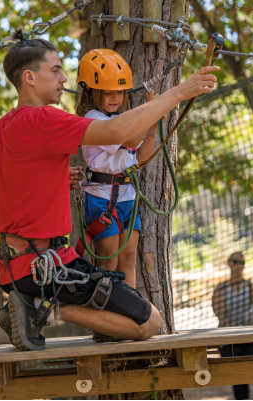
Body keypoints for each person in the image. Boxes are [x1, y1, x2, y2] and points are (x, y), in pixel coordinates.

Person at [0, 31, 219, 351]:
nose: (64, 78)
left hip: (10, 266)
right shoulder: (45, 118)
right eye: (55, 70)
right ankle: (41, 307)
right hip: (49, 266)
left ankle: (31, 302)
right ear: (29, 77)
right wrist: (179, 92)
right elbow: (117, 130)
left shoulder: (1, 128)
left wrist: (51, 178)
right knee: (149, 323)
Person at [75, 49, 159, 289]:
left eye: (120, 93)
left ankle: (131, 314)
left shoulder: (122, 121)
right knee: (109, 261)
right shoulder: (94, 119)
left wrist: (153, 121)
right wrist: (151, 110)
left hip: (128, 197)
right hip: (103, 198)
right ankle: (110, 315)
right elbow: (132, 141)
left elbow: (141, 155)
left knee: (129, 259)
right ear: (92, 92)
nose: (115, 98)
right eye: (108, 93)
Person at [212, 252, 253, 401]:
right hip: (229, 339)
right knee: (238, 377)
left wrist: (250, 331)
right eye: (236, 261)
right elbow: (220, 314)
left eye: (242, 263)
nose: (239, 265)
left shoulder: (251, 286)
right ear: (229, 263)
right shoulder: (221, 289)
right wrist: (235, 334)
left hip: (251, 337)